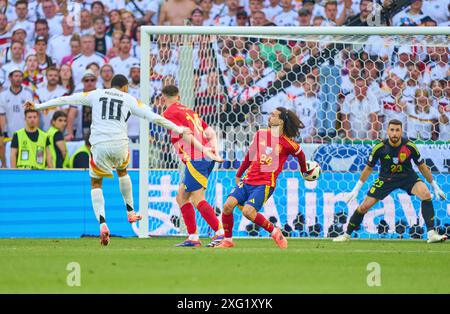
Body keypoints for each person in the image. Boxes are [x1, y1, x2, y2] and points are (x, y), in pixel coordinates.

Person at [25, 74, 194, 246]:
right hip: (120, 143)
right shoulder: (129, 99)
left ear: (111, 85)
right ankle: (130, 211)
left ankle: (103, 223)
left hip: (99, 144)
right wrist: (178, 129)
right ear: (125, 87)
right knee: (122, 171)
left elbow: (66, 99)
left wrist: (38, 106)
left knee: (96, 183)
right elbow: (154, 117)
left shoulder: (95, 94)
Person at [333, 119, 447, 244]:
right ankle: (346, 235)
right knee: (364, 206)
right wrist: (356, 189)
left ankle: (431, 234)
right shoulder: (379, 148)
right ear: (387, 131)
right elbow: (368, 168)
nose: (394, 133)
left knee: (425, 194)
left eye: (397, 130)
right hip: (386, 179)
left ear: (401, 131)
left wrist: (434, 186)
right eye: (392, 130)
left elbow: (422, 166)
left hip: (407, 177)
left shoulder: (410, 146)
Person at [216, 107, 313, 249]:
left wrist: (304, 171)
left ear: (281, 121)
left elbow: (301, 155)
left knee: (248, 212)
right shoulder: (261, 134)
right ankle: (228, 240)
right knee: (227, 206)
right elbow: (250, 155)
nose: (269, 117)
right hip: (248, 180)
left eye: (273, 115)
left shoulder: (288, 144)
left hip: (265, 183)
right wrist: (239, 174)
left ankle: (274, 231)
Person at [161, 85, 225, 247]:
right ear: (178, 96)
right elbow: (210, 132)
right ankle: (193, 238)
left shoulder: (169, 113)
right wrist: (214, 151)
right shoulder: (189, 111)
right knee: (181, 196)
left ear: (163, 98)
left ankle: (220, 234)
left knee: (197, 199)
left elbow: (185, 134)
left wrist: (204, 150)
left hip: (197, 157)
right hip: (204, 157)